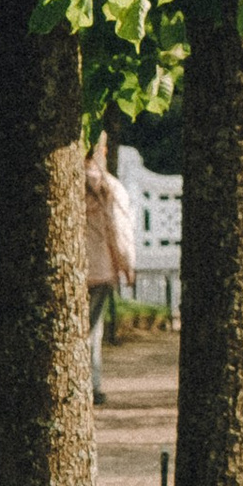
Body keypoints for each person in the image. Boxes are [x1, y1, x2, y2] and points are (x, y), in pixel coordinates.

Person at [83, 138, 137, 403]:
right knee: (92, 329)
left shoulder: (63, 185)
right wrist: (127, 266)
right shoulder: (109, 187)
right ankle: (91, 384)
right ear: (101, 150)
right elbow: (121, 230)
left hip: (75, 269)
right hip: (100, 269)